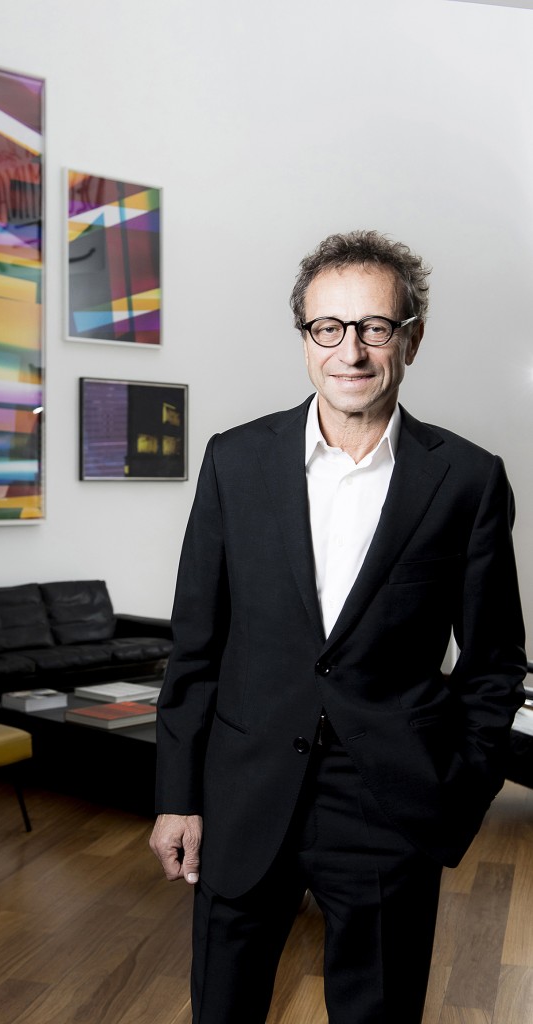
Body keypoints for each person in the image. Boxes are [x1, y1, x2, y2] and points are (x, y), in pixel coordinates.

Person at [149, 229, 527, 1024]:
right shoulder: (233, 461)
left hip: (388, 798)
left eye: (373, 328)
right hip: (244, 792)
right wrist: (178, 795)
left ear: (410, 339)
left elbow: (493, 659)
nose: (349, 351)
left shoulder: (466, 479)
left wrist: (459, 787)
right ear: (305, 339)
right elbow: (196, 646)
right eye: (328, 328)